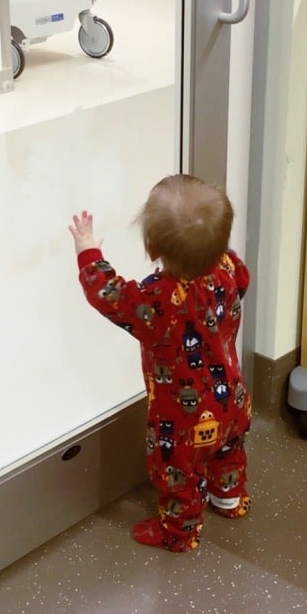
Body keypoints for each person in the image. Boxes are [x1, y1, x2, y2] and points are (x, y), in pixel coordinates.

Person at [69, 173, 251, 552]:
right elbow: (244, 282)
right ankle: (229, 498)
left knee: (178, 471)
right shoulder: (229, 268)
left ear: (151, 248)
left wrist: (88, 249)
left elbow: (109, 294)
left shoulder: (158, 299)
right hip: (232, 397)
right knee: (228, 449)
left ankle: (179, 531)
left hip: (181, 419)